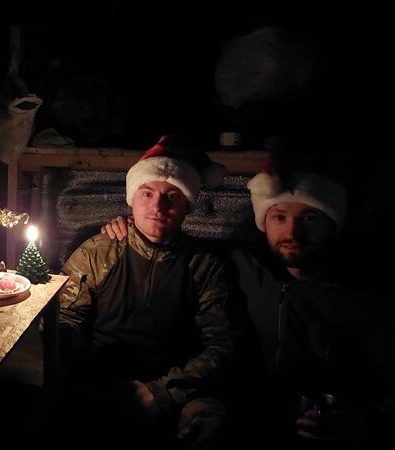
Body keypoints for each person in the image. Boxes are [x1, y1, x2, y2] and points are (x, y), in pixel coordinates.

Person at [102, 153, 394, 448]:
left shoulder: (365, 297)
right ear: (264, 221)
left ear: (332, 224)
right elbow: (169, 239)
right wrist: (130, 227)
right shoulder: (242, 265)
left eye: (310, 219)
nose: (293, 232)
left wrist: (362, 421)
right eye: (280, 217)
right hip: (249, 413)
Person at [57, 135, 239, 448]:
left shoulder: (204, 266)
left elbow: (222, 345)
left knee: (210, 423)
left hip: (177, 388)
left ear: (187, 206)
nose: (157, 206)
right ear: (132, 199)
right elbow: (65, 317)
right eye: (147, 193)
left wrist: (162, 392)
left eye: (172, 196)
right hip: (103, 379)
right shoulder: (99, 252)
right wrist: (93, 377)